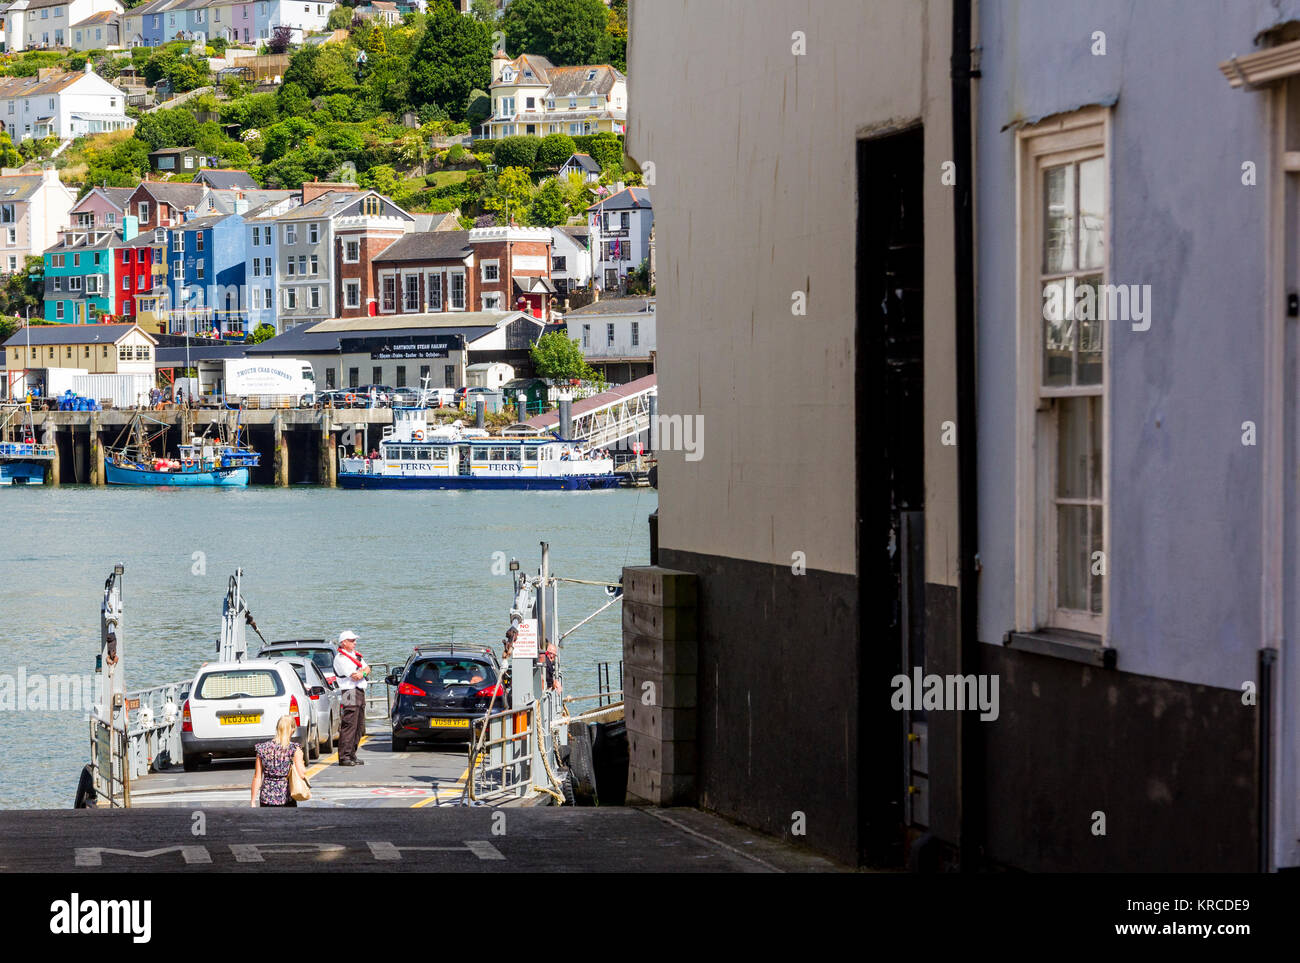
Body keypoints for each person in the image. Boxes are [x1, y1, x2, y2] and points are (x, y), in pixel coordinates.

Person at [250, 715, 307, 807]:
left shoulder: (262, 748)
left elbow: (257, 777)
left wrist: (253, 801)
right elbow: (301, 773)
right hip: (286, 797)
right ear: (292, 729)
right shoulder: (294, 749)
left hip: (266, 798)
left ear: (277, 728)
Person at [333, 630, 369, 766]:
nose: (355, 643)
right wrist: (362, 672)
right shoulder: (341, 658)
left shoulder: (355, 655)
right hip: (349, 691)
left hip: (359, 690)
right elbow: (355, 676)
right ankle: (344, 756)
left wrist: (363, 673)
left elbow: (367, 669)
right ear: (344, 643)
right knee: (349, 723)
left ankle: (352, 753)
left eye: (354, 640)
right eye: (352, 640)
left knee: (359, 724)